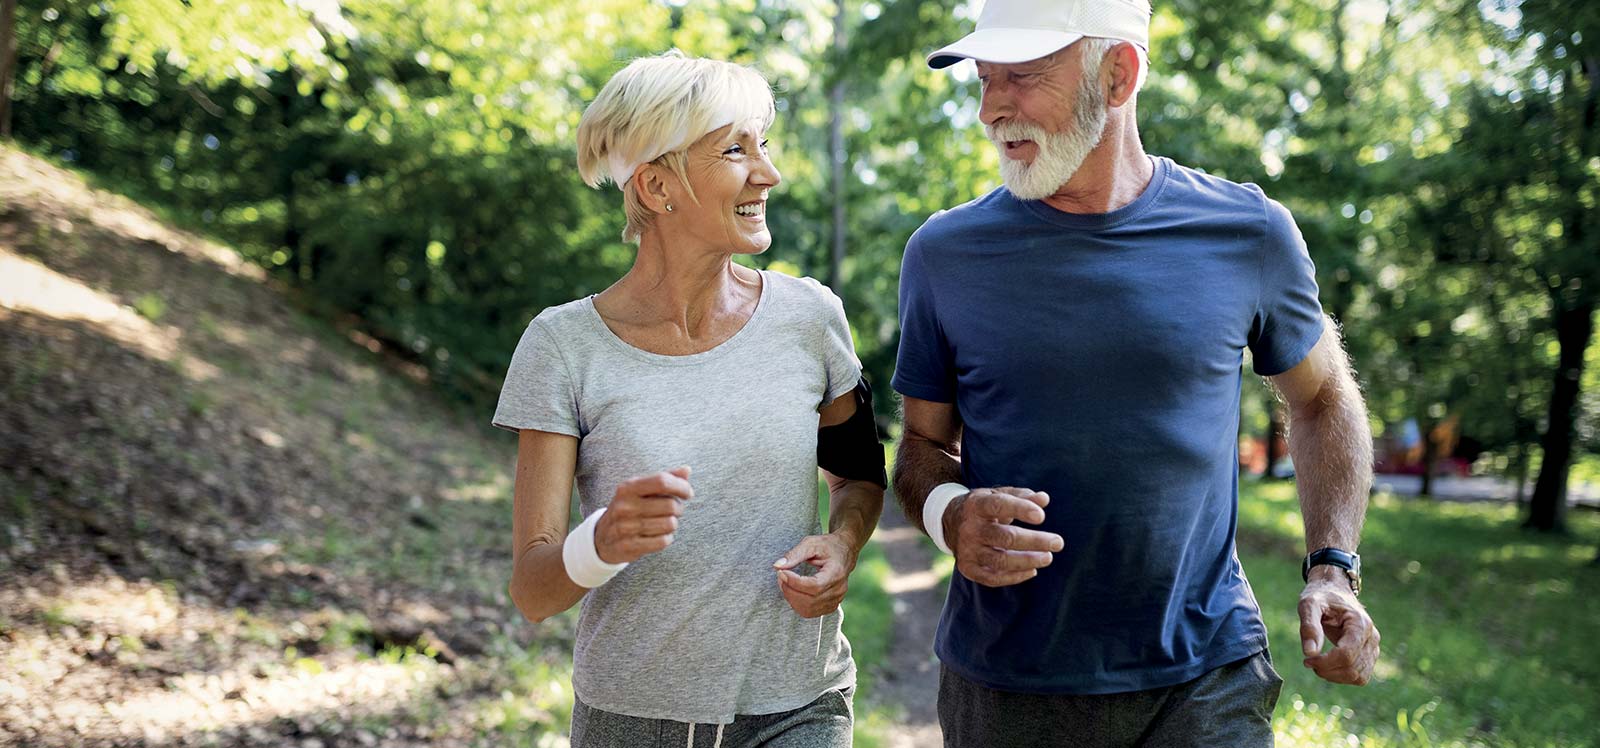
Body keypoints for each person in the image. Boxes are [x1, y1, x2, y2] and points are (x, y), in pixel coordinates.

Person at [890, 1, 1381, 745]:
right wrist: (949, 517)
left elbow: (1324, 401)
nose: (992, 108)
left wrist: (1332, 569)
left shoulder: (1248, 233)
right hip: (1008, 686)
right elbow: (921, 449)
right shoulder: (943, 254)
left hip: (1207, 678)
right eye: (984, 80)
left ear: (1118, 75)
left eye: (1020, 76)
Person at [495, 51, 885, 748]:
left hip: (800, 705)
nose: (768, 172)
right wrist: (600, 543)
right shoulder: (561, 346)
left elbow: (859, 476)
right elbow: (533, 587)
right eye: (735, 150)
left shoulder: (812, 318)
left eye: (763, 145)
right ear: (655, 186)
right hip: (629, 718)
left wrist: (844, 544)